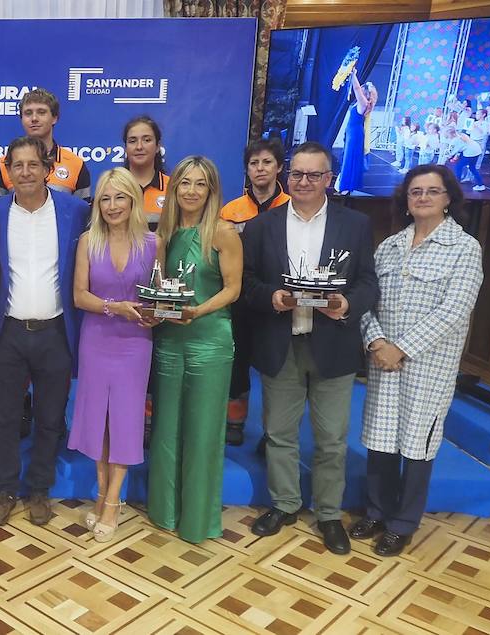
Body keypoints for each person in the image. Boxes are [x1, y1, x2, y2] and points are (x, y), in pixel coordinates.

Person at [241, 142, 378, 555]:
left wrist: (347, 304)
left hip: (333, 344)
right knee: (279, 434)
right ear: (287, 176)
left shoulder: (354, 225)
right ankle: (284, 504)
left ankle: (329, 514)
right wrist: (273, 298)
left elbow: (369, 282)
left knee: (332, 438)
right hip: (280, 343)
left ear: (328, 179)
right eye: (297, 174)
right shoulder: (264, 226)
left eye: (313, 175)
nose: (303, 182)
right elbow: (245, 283)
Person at [348, 165, 482, 557]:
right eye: (415, 192)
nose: (422, 197)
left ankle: (402, 522)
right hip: (382, 359)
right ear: (405, 201)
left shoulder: (464, 248)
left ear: (448, 200)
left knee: (417, 444)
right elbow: (365, 301)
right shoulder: (388, 247)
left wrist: (401, 348)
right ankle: (376, 509)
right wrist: (375, 342)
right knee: (381, 437)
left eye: (432, 191)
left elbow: (456, 309)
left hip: (427, 364)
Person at [0, 137, 90, 526]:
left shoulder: (75, 211)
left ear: (47, 167)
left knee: (49, 417)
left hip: (55, 331)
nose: (25, 172)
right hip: (7, 332)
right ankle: (7, 489)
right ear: (8, 172)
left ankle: (40, 489)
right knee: (7, 418)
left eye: (32, 165)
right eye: (17, 166)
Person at [146, 156, 242, 544]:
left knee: (203, 431)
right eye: (185, 183)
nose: (191, 191)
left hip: (209, 340)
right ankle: (164, 511)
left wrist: (199, 311)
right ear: (174, 188)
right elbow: (159, 286)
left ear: (211, 191)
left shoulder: (223, 233)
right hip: (169, 340)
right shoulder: (162, 236)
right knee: (166, 428)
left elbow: (233, 288)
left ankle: (197, 519)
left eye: (200, 184)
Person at [67, 168, 158, 541]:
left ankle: (113, 501)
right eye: (105, 198)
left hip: (136, 344)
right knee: (98, 420)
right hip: (97, 338)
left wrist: (155, 315)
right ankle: (103, 493)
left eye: (119, 197)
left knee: (124, 419)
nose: (112, 205)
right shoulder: (88, 241)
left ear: (133, 200)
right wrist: (113, 307)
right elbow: (79, 295)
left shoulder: (154, 242)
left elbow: (161, 295)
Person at [219, 139, 290, 446]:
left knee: (279, 368)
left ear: (279, 168)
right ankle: (235, 419)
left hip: (280, 298)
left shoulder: (292, 207)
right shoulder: (231, 211)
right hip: (241, 297)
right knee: (237, 360)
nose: (260, 169)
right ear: (246, 170)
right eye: (254, 163)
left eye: (267, 162)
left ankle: (274, 433)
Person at [0, 89, 91, 202]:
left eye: (41, 112)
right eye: (28, 113)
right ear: (21, 119)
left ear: (55, 118)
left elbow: (83, 215)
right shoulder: (4, 165)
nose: (34, 119)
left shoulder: (75, 164)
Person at [123, 116, 170, 227]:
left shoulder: (173, 188)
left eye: (147, 140)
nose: (139, 146)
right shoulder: (112, 187)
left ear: (158, 146)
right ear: (125, 148)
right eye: (132, 141)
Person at [336, 74, 377, 194]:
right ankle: (348, 185)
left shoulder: (363, 103)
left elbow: (357, 88)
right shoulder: (362, 103)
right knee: (349, 157)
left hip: (355, 134)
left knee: (350, 158)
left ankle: (347, 186)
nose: (361, 89)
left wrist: (353, 75)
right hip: (352, 132)